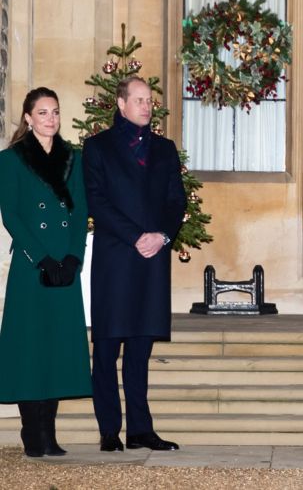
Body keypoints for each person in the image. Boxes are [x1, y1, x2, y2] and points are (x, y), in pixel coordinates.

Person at [83, 76, 187, 452]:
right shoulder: (97, 147)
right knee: (108, 348)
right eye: (139, 100)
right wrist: (134, 236)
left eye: (150, 101)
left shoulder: (165, 148)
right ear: (122, 104)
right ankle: (109, 430)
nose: (147, 106)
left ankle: (141, 430)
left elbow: (177, 200)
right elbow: (96, 200)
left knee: (141, 348)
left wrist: (161, 235)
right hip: (116, 259)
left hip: (153, 259)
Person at [0, 87, 91, 457]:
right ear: (27, 118)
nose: (50, 119)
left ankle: (49, 433)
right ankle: (30, 431)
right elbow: (12, 215)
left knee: (56, 348)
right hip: (31, 266)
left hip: (64, 268)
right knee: (29, 348)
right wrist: (41, 259)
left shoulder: (74, 158)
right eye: (42, 113)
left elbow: (81, 211)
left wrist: (73, 258)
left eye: (54, 112)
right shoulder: (11, 160)